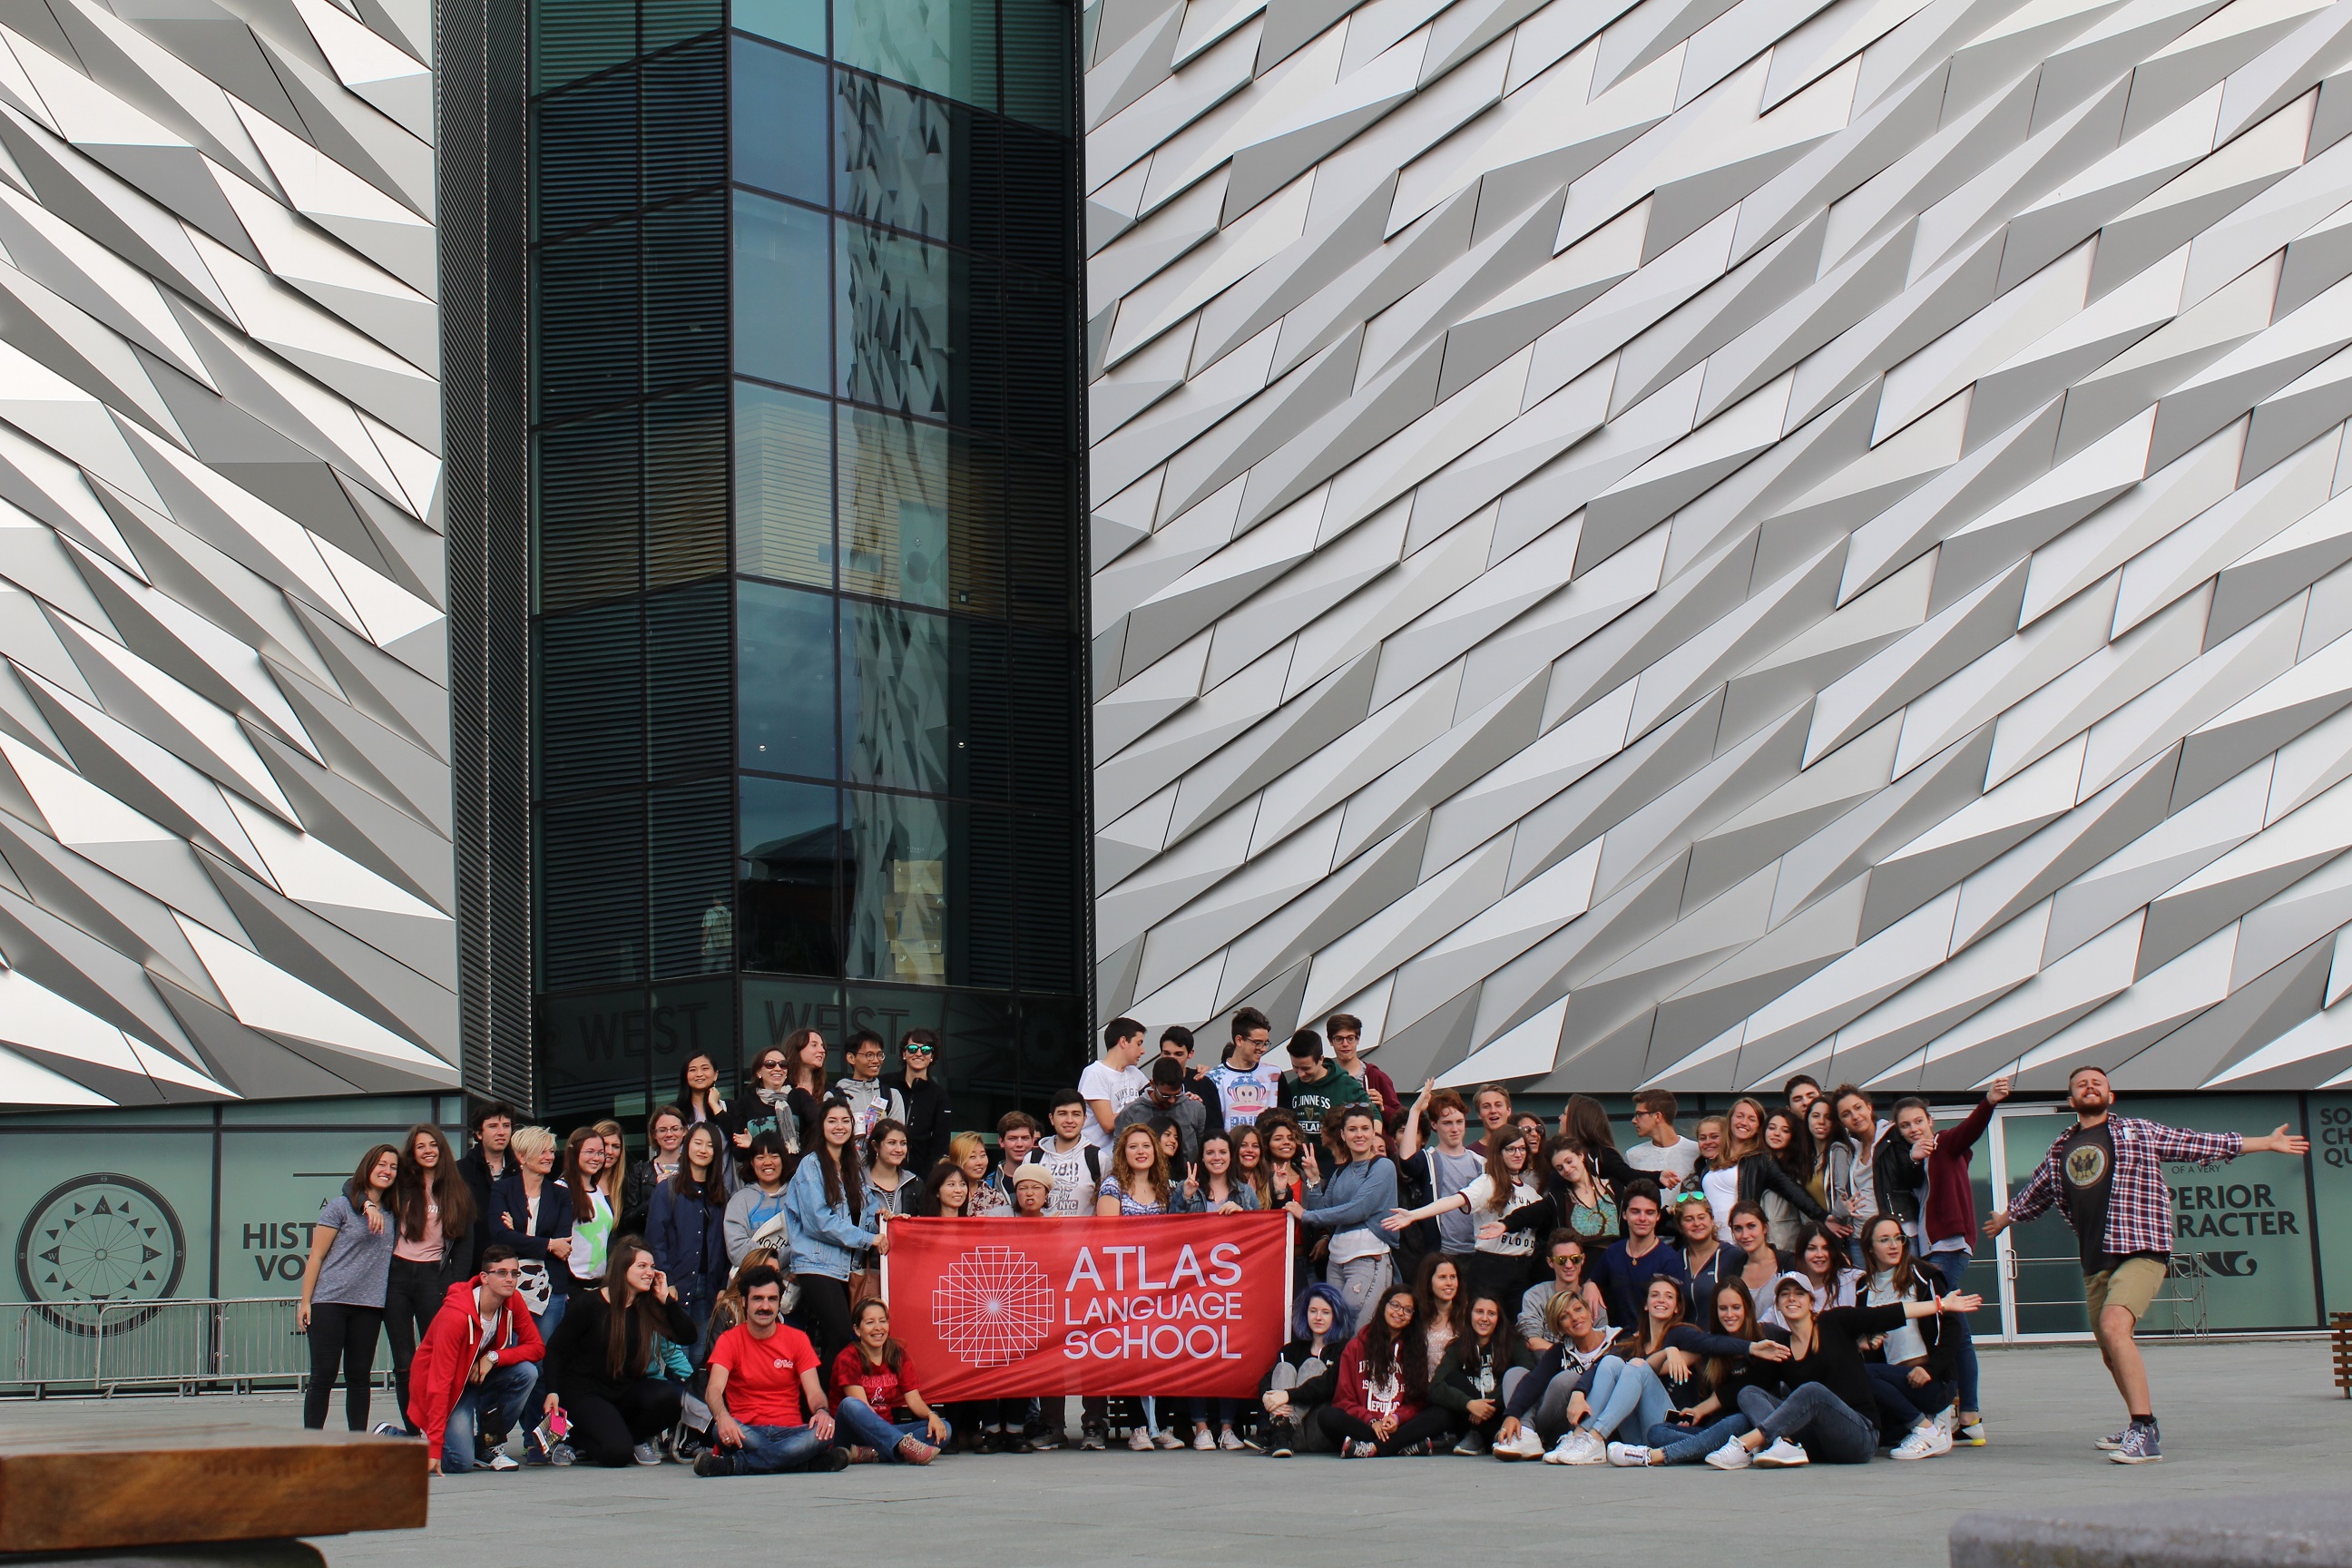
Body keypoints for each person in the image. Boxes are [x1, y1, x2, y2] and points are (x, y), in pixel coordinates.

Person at [1986, 1063, 2308, 1465]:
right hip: (2095, 1259)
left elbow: (2197, 1143)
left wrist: (2264, 1142)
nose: (2090, 1087)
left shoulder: (2138, 1131)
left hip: (2142, 1248)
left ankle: (2144, 1429)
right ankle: (2137, 1423)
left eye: (2097, 1083)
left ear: (2110, 1096)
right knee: (2109, 1350)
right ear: (2071, 1101)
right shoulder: (2059, 1149)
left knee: (2114, 1325)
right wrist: (2006, 1217)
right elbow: (2037, 1191)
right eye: (2081, 1085)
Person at [1706, 1271, 1977, 1468]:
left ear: (1811, 1301)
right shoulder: (1782, 1348)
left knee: (1812, 1391)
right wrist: (1701, 1408)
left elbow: (1888, 1314)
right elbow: (1746, 1390)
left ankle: (1745, 1444)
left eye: (1799, 1293)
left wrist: (1939, 1305)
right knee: (1751, 1392)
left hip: (1859, 1435)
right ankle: (1784, 1443)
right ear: (1777, 1305)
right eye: (1785, 1294)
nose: (1792, 1299)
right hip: (1818, 1442)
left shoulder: (1835, 1322)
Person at [540, 1237, 697, 1467]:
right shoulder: (589, 1304)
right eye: (642, 1266)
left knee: (673, 1399)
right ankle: (574, 1438)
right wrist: (553, 1391)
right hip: (585, 1392)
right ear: (623, 1269)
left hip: (625, 1390)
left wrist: (666, 1300)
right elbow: (555, 1348)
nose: (650, 1273)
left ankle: (633, 1438)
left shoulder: (647, 1305)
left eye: (652, 1267)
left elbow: (687, 1336)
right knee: (616, 1454)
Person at [1912, 1077, 2008, 1442]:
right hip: (1930, 1251)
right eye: (1906, 1125)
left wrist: (1989, 1102)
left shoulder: (1944, 1144)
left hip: (1949, 1248)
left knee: (1956, 1328)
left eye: (1918, 1122)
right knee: (1945, 1325)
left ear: (1930, 1121)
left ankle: (1968, 1412)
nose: (1913, 1129)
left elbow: (1969, 1132)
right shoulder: (1916, 1158)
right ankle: (1962, 1411)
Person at [1608, 1279, 1792, 1467]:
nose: (1729, 1315)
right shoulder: (1712, 1344)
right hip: (1716, 1428)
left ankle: (1652, 1456)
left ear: (1747, 1308)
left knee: (1737, 1420)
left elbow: (1748, 1387)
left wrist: (1702, 1408)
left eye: (1736, 1307)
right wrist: (1669, 1351)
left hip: (1752, 1422)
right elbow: (1649, 1371)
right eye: (1723, 1308)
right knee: (1657, 1432)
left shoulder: (1766, 1337)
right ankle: (1722, 1450)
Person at [692, 1264, 854, 1475]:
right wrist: (723, 1417)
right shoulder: (729, 1340)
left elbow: (814, 1391)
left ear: (779, 1303)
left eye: (772, 1299)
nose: (765, 1306)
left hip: (792, 1432)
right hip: (746, 1431)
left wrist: (822, 1412)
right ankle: (803, 1464)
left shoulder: (797, 1339)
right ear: (744, 1302)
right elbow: (713, 1389)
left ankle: (736, 1465)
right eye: (758, 1298)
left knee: (826, 1431)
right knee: (718, 1430)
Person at [407, 1244, 544, 1474]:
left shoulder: (513, 1302)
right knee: (459, 1463)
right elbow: (439, 1383)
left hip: (477, 1377)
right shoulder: (456, 1316)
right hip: (448, 1387)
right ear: (484, 1277)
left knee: (527, 1373)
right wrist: (434, 1449)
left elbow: (537, 1348)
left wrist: (494, 1356)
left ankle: (486, 1446)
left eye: (515, 1273)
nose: (510, 1279)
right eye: (502, 1273)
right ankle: (402, 1441)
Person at [783, 1096, 890, 1370]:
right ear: (822, 1126)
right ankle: (818, 1407)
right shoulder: (811, 1165)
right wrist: (868, 1240)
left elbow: (866, 1209)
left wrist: (882, 1219)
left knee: (835, 1339)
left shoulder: (852, 1166)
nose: (839, 1126)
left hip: (845, 1268)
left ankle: (829, 1406)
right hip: (815, 1265)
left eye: (845, 1121)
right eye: (832, 1121)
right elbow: (818, 1221)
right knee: (842, 1335)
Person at [380, 1123, 475, 1435]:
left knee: (437, 1358)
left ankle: (439, 1426)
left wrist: (454, 1286)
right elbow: (354, 1186)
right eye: (420, 1146)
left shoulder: (457, 1190)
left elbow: (464, 1245)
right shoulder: (401, 1185)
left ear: (442, 1149)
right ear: (413, 1152)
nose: (427, 1151)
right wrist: (368, 1204)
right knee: (405, 1360)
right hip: (397, 1275)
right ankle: (412, 1430)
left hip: (434, 1278)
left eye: (432, 1145)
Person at [298, 1143, 398, 1432]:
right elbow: (316, 1256)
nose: (387, 1170)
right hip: (330, 1301)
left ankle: (358, 1443)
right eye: (381, 1164)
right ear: (369, 1166)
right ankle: (311, 1442)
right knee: (323, 1376)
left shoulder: (394, 1211)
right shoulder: (341, 1206)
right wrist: (305, 1301)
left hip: (369, 1306)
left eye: (393, 1166)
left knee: (359, 1377)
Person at [1382, 1125, 1539, 1307]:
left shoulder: (1532, 1193)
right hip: (1492, 1265)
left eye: (1522, 1149)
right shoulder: (1489, 1183)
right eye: (1511, 1149)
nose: (1518, 1154)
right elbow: (1453, 1201)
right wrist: (1412, 1215)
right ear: (1498, 1152)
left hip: (1523, 1267)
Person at [1544, 1276, 1690, 1464]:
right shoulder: (1633, 1342)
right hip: (1636, 1438)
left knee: (1637, 1367)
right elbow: (1598, 1367)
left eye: (1669, 1296)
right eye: (1655, 1295)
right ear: (1645, 1305)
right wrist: (1578, 1392)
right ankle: (1580, 1436)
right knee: (1611, 1362)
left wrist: (1674, 1351)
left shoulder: (1686, 1333)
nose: (1661, 1300)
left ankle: (1595, 1437)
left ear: (1677, 1307)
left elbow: (1716, 1345)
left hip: (1671, 1428)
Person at [1857, 1215, 1962, 1448]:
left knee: (1865, 1374)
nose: (1894, 1245)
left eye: (1898, 1238)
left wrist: (1930, 1369)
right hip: (1893, 1382)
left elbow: (1952, 1331)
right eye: (1884, 1240)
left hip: (1930, 1379)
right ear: (1870, 1248)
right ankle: (1918, 1422)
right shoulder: (1863, 1287)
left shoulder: (1924, 1275)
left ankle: (1928, 1427)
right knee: (1881, 1439)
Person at [1292, 1105, 1399, 1328]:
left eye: (1364, 1128)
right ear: (1342, 1134)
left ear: (1373, 1133)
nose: (1359, 1134)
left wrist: (1306, 1215)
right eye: (1352, 1129)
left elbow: (1357, 1209)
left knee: (1356, 1329)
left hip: (1368, 1257)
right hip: (1337, 1260)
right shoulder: (1342, 1171)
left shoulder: (1383, 1166)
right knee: (1335, 1330)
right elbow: (1323, 1208)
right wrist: (1312, 1181)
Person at [1316, 1285, 1451, 1456]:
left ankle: (1372, 1448)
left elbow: (1417, 1402)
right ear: (1383, 1306)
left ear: (1412, 1318)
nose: (1400, 1312)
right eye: (1395, 1305)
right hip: (1365, 1424)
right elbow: (1344, 1400)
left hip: (1398, 1425)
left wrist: (1397, 1418)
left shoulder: (1415, 1351)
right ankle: (1401, 1446)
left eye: (1407, 1310)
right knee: (1327, 1416)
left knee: (1442, 1414)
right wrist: (1372, 1421)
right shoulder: (1355, 1347)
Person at [1493, 1288, 1618, 1458]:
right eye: (1564, 1317)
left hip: (1585, 1424)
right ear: (1559, 1328)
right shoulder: (1560, 1351)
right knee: (1515, 1373)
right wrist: (1511, 1414)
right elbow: (1535, 1381)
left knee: (1568, 1378)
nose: (1575, 1318)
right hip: (1552, 1422)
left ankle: (1526, 1435)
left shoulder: (1617, 1339)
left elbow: (1600, 1369)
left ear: (1589, 1311)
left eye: (1578, 1309)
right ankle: (1526, 1433)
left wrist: (1579, 1391)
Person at [832, 1298, 949, 1464]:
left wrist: (932, 1416)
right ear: (857, 1330)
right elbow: (863, 1407)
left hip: (887, 1431)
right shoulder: (848, 1358)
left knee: (944, 1429)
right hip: (853, 1432)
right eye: (870, 1322)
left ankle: (874, 1452)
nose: (878, 1328)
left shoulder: (897, 1354)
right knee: (850, 1404)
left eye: (882, 1321)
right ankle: (901, 1446)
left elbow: (914, 1399)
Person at [1712, 1096, 1829, 1240]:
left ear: (1758, 1128)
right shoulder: (1711, 1161)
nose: (1744, 1122)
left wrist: (1825, 1218)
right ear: (1730, 1119)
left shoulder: (1760, 1160)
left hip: (1742, 1239)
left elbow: (1794, 1192)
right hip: (1713, 1243)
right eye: (1739, 1116)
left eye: (1751, 1119)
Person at [650, 1122, 730, 1331]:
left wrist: (723, 1287)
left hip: (710, 1288)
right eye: (698, 1143)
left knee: (698, 1356)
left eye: (710, 1145)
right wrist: (668, 1281)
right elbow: (656, 1241)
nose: (703, 1150)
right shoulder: (667, 1189)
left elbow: (726, 1245)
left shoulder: (722, 1195)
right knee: (677, 1354)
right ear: (687, 1146)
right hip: (677, 1285)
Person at [1396, 1083, 1483, 1267]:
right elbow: (1407, 1160)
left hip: (1477, 1251)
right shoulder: (1429, 1158)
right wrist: (1415, 1111)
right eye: (1447, 1123)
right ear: (1435, 1125)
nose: (1455, 1129)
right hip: (1441, 1253)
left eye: (1459, 1122)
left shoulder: (1480, 1162)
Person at [1431, 1292, 1527, 1455]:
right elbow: (1434, 1387)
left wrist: (1487, 1405)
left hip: (1501, 1415)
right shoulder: (1458, 1347)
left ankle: (1486, 1434)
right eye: (1479, 1312)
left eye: (1491, 1313)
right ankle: (1481, 1435)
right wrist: (1469, 1404)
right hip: (1469, 1418)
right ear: (1470, 1315)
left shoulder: (1513, 1343)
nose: (1484, 1318)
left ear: (1499, 1318)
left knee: (1515, 1375)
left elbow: (1527, 1372)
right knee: (1453, 1378)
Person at [1261, 1285, 1352, 1456]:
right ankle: (1282, 1430)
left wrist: (1287, 1395)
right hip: (1293, 1439)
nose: (1318, 1317)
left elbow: (1328, 1385)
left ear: (1336, 1316)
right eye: (1313, 1311)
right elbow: (1268, 1378)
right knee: (1284, 1367)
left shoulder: (1344, 1349)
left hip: (1320, 1430)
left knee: (1313, 1365)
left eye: (1326, 1312)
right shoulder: (1290, 1350)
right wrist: (1266, 1395)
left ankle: (1281, 1427)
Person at [1590, 1183, 1688, 1331]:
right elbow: (1594, 1281)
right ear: (1624, 1214)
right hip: (1615, 1339)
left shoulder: (1669, 1260)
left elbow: (1676, 1314)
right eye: (1636, 1211)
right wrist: (1590, 1285)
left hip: (1653, 1342)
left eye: (1649, 1213)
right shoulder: (1613, 1252)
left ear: (1658, 1216)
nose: (1642, 1218)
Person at [1826, 1084, 1916, 1240]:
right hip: (1860, 1237)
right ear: (1841, 1122)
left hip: (1896, 1233)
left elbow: (1912, 1177)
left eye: (1858, 1107)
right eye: (1846, 1114)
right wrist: (1842, 1209)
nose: (1855, 1116)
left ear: (1869, 1107)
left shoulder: (1892, 1136)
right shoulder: (1851, 1149)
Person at [1518, 1232, 1607, 1352]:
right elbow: (1530, 1339)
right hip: (1547, 1365)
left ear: (1583, 1259)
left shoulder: (1592, 1297)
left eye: (1575, 1259)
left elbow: (1602, 1343)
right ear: (1550, 1262)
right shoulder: (1536, 1295)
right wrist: (1566, 1359)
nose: (1569, 1265)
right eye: (1561, 1260)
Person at [1114, 1057, 1207, 1168]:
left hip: (1186, 1177)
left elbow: (1202, 1148)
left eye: (1177, 1095)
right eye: (1165, 1095)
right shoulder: (1131, 1113)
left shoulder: (1195, 1108)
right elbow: (1118, 1155)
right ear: (1152, 1084)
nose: (1172, 1100)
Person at [1278, 1028, 1367, 1143]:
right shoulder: (1292, 1088)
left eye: (1306, 1068)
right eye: (1295, 1067)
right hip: (1300, 1159)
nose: (1300, 1074)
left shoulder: (1346, 1085)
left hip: (1335, 1158)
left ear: (1321, 1059)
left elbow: (1373, 1114)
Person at [456, 1102, 516, 1272]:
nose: (501, 1132)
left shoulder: (521, 1171)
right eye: (493, 1126)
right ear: (478, 1133)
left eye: (506, 1126)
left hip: (513, 1266)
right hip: (472, 1265)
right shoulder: (460, 1171)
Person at [1204, 1006, 1281, 1130]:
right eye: (1257, 1043)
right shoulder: (1213, 1078)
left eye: (1265, 1043)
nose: (1263, 1048)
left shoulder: (1275, 1075)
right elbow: (1213, 1128)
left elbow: (1286, 1121)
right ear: (1239, 1040)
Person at [724, 1131, 792, 1267]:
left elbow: (806, 1244)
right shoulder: (740, 1200)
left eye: (774, 1156)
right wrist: (776, 1264)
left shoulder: (798, 1197)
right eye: (760, 1157)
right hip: (751, 1281)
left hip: (793, 1284)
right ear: (752, 1162)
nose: (767, 1162)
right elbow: (737, 1251)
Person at [1081, 1018, 1149, 1152]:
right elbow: (1108, 1124)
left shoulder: (1133, 1072)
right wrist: (1141, 1106)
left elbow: (1154, 1098)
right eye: (1139, 1043)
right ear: (1123, 1041)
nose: (1143, 1051)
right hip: (1099, 1158)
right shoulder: (1095, 1073)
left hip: (1126, 1158)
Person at [834, 1029, 908, 1146]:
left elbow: (897, 1139)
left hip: (881, 1163)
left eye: (879, 1055)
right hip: (846, 1163)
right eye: (869, 1055)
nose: (876, 1060)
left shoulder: (891, 1096)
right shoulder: (835, 1097)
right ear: (851, 1058)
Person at [732, 1046, 804, 1167]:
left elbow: (815, 1134)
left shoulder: (798, 1097)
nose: (778, 1068)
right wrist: (755, 1146)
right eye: (770, 1064)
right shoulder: (745, 1102)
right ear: (759, 1072)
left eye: (783, 1064)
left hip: (795, 1173)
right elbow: (738, 1154)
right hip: (761, 1176)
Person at [621, 1106, 688, 1234]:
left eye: (674, 1129)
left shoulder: (695, 1169)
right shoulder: (639, 1171)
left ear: (684, 1131)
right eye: (662, 1130)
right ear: (654, 1134)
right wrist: (658, 1194)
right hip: (651, 1246)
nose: (669, 1134)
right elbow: (627, 1221)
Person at [896, 1028, 954, 1175]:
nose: (919, 1054)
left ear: (932, 1056)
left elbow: (940, 1145)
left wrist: (923, 1180)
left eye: (926, 1050)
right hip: (883, 1171)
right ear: (904, 1054)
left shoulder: (940, 1096)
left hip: (920, 1177)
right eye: (913, 1048)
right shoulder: (886, 1085)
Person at [1760, 1108, 1817, 1250]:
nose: (1777, 1133)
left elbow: (1807, 1219)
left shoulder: (1799, 1171)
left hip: (1789, 1248)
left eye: (1785, 1130)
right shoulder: (1755, 1165)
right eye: (1772, 1128)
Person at [1035, 1092, 1099, 1215]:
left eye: (1076, 1114)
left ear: (1084, 1119)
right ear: (1052, 1118)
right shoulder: (1033, 1158)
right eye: (1062, 1114)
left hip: (1084, 1234)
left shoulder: (1097, 1158)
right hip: (1042, 1234)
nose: (1069, 1120)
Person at [1326, 1013, 1398, 1120]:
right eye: (1339, 1039)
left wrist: (1383, 1108)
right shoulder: (1324, 1075)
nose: (1345, 1044)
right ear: (1331, 1041)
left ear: (1358, 1039)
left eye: (1350, 1038)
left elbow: (1401, 1118)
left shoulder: (1376, 1076)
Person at [1623, 1090, 1700, 1191]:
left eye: (1639, 1114)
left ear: (1657, 1116)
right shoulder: (1633, 1155)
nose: (1633, 1120)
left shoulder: (1696, 1151)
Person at [1728, 1201, 1797, 1313]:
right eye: (1738, 1229)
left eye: (1751, 1226)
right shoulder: (1734, 1268)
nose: (1745, 1235)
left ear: (1765, 1228)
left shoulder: (1787, 1263)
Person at [1155, 1024, 1224, 1131]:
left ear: (1190, 1054)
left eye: (1178, 1054)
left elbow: (1215, 1127)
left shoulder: (1203, 1083)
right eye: (1167, 1053)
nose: (1172, 1059)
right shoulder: (1154, 1085)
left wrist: (1199, 1109)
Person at [1561, 1096, 1640, 1189]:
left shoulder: (1602, 1155)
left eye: (1564, 1114)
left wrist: (1659, 1176)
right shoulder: (1557, 1154)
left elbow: (1631, 1177)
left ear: (1576, 1121)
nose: (1560, 1117)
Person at [1176, 1130, 1258, 1213]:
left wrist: (1243, 1214)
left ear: (1230, 1156)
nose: (1217, 1157)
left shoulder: (1246, 1192)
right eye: (1210, 1153)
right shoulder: (1183, 1188)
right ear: (1202, 1157)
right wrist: (1186, 1198)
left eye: (1223, 1152)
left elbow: (1259, 1224)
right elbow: (1171, 1224)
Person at [1677, 1191, 1730, 1299]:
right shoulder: (1675, 1260)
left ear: (1711, 1220)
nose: (1696, 1223)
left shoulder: (1731, 1256)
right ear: (1679, 1225)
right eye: (1689, 1219)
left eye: (1701, 1217)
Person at [865, 1118, 916, 1221]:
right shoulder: (858, 1182)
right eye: (892, 1143)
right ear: (875, 1146)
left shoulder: (914, 1183)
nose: (898, 1149)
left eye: (903, 1143)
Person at [678, 1053, 730, 1133]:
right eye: (692, 1070)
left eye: (705, 1069)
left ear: (715, 1075)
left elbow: (735, 1134)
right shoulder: (675, 1110)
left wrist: (714, 1104)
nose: (699, 1074)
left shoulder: (729, 1107)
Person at [916, 1161, 983, 1218]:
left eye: (962, 1184)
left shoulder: (972, 1226)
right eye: (951, 1184)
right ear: (937, 1192)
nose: (958, 1190)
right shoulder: (923, 1225)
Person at [1466, 1084, 1514, 1154]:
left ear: (1508, 1110)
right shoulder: (1471, 1154)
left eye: (1498, 1105)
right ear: (1479, 1114)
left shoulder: (1521, 1149)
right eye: (1486, 1106)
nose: (1493, 1111)